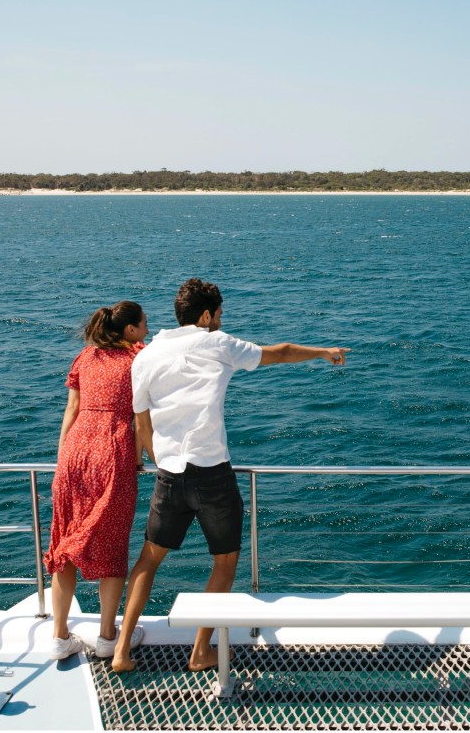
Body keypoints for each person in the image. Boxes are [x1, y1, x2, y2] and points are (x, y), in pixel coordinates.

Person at [111, 278, 349, 673]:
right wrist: (324, 352)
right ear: (205, 316)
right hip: (212, 476)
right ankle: (201, 651)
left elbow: (142, 425)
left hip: (168, 476)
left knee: (148, 561)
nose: (221, 320)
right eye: (219, 314)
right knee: (224, 561)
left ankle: (121, 652)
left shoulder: (144, 358)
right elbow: (281, 352)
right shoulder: (216, 344)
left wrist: (161, 463)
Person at [45, 301, 153, 660]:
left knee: (65, 549)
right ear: (130, 330)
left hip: (74, 453)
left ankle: (61, 637)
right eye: (144, 323)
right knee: (112, 544)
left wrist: (63, 459)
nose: (148, 327)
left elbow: (72, 410)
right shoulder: (138, 359)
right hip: (113, 452)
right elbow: (140, 418)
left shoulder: (85, 357)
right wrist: (138, 459)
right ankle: (108, 636)